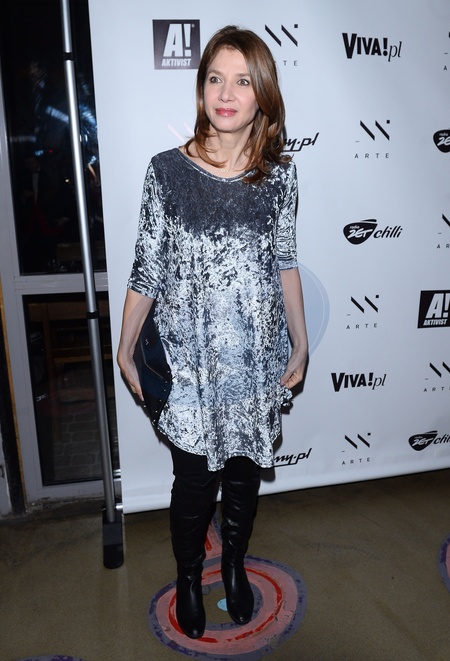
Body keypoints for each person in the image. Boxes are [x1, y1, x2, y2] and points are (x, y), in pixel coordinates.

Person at [117, 25, 308, 639]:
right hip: (190, 367)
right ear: (201, 89)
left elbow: (285, 262)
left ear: (263, 94)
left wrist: (301, 341)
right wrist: (125, 345)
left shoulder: (280, 178)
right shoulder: (166, 173)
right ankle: (186, 575)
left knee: (245, 478)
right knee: (194, 484)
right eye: (215, 79)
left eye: (242, 80)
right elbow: (147, 267)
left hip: (254, 364)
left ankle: (232, 565)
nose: (226, 93)